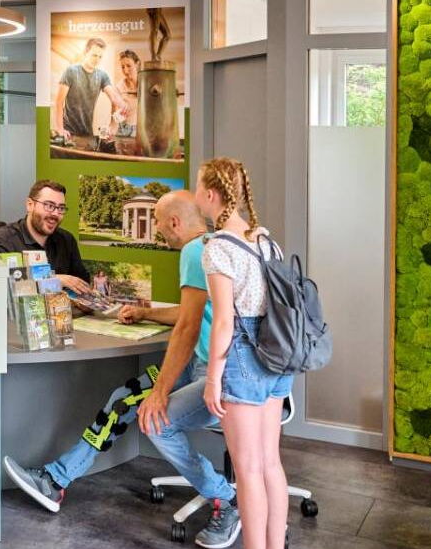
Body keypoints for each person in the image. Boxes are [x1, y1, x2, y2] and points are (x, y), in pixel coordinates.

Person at [1, 192, 240, 530]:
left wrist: (160, 392)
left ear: (174, 222)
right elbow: (194, 312)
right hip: (199, 364)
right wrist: (146, 313)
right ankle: (56, 480)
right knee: (122, 400)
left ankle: (225, 498)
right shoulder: (213, 245)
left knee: (156, 422)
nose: (157, 229)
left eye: (158, 222)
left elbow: (187, 329)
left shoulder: (193, 251)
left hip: (213, 375)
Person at [146, 157, 288, 549]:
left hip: (241, 360)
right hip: (276, 357)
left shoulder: (217, 248)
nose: (194, 195)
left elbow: (224, 322)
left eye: (197, 188)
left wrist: (212, 380)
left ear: (210, 195)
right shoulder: (266, 240)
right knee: (270, 464)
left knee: (247, 470)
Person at [0, 180, 91, 294]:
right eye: (49, 206)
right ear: (30, 205)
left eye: (61, 208)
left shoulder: (66, 240)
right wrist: (54, 280)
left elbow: (81, 283)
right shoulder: (4, 240)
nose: (55, 214)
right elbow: (3, 289)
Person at [53, 37, 130, 139]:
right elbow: (59, 102)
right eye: (94, 55)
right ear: (86, 53)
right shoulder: (71, 71)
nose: (97, 60)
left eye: (100, 56)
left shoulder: (102, 76)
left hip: (88, 133)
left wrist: (122, 105)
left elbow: (114, 97)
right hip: (69, 133)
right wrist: (60, 129)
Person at [113, 49, 140, 133]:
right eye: (123, 67)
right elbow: (115, 114)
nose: (125, 70)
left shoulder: (146, 84)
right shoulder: (119, 87)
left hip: (143, 130)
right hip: (124, 130)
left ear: (137, 64)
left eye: (129, 66)